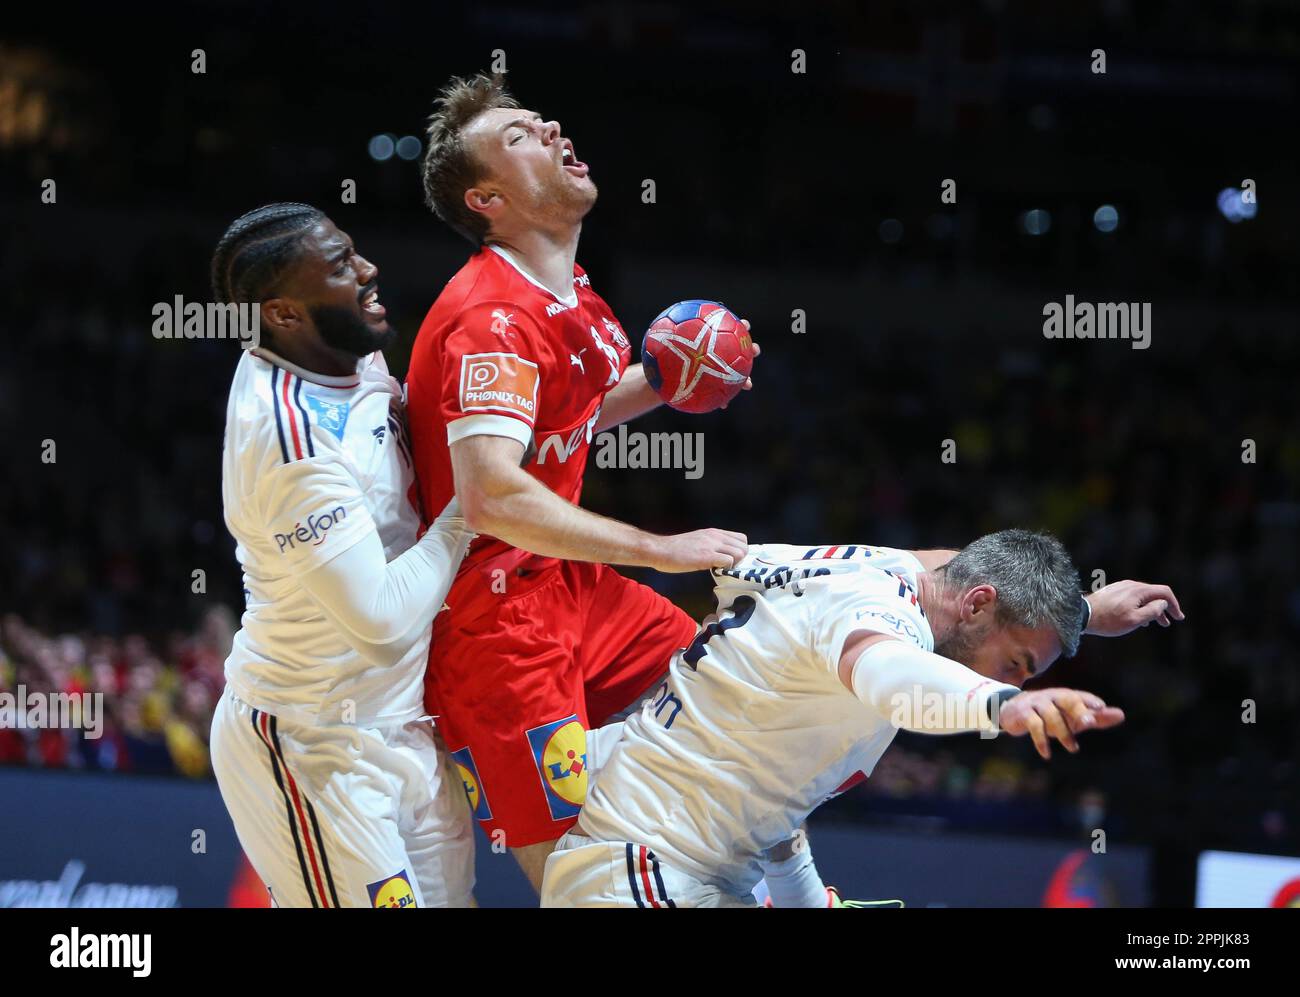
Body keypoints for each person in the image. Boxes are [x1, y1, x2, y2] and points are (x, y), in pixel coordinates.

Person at [407, 72, 755, 889]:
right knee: (573, 876)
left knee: (732, 699)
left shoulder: (580, 298)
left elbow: (568, 418)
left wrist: (675, 379)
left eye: (541, 119)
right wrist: (660, 549)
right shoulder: (490, 317)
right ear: (487, 197)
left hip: (571, 588)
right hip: (492, 624)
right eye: (521, 134)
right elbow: (493, 489)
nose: (552, 127)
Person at [540, 531, 1183, 907]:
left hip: (668, 866)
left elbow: (962, 565)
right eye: (1016, 662)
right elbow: (893, 680)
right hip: (642, 871)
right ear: (978, 604)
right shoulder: (879, 620)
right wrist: (1003, 706)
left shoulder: (888, 567)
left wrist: (1085, 611)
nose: (1011, 677)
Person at [208, 203, 474, 908]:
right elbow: (381, 620)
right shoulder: (287, 441)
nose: (367, 270)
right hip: (314, 742)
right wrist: (475, 507)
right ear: (285, 314)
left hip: (403, 724)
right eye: (339, 267)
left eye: (352, 251)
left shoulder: (349, 347)